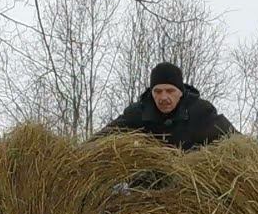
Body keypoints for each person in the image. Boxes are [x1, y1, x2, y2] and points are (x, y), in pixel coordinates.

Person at [94, 62, 237, 151]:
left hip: (189, 185)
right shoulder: (138, 113)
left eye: (170, 91)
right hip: (146, 186)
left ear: (180, 92)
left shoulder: (200, 112)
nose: (163, 97)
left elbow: (236, 140)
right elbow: (104, 137)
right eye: (157, 91)